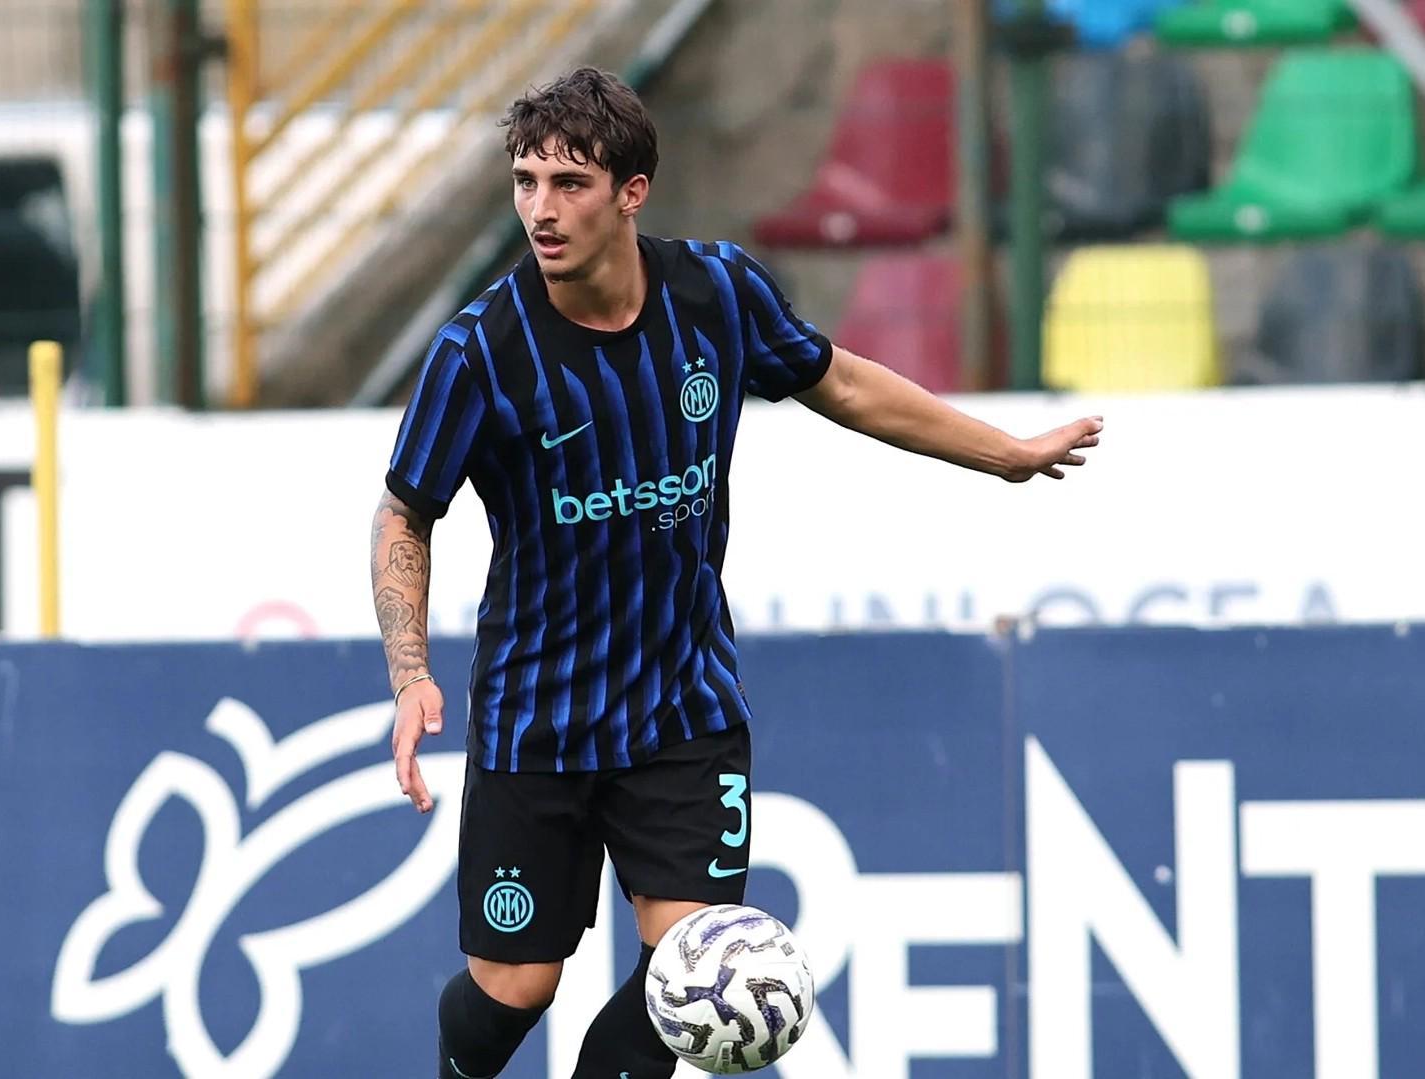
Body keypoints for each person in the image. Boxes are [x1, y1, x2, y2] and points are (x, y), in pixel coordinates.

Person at [370, 66, 1102, 1079]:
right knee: (516, 988)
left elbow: (845, 383)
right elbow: (405, 512)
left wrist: (1005, 452)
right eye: (526, 181)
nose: (541, 209)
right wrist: (410, 672)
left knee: (690, 970)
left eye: (570, 183)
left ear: (632, 192)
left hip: (684, 707)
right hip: (536, 714)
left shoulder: (716, 294)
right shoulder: (481, 352)